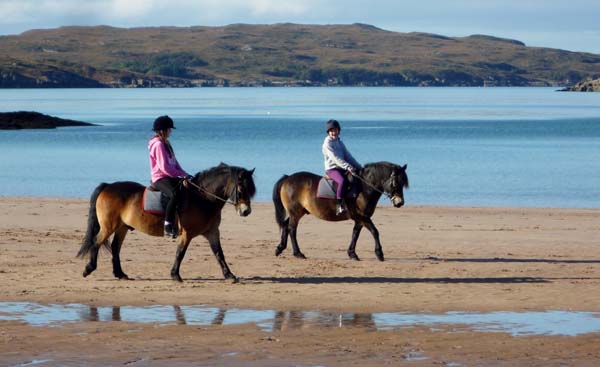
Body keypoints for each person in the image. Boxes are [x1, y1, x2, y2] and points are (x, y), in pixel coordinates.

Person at [148, 115, 192, 238]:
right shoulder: (158, 145)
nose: (170, 132)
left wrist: (185, 174)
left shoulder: (166, 143)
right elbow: (164, 168)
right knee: (175, 194)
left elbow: (175, 163)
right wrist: (180, 175)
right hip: (160, 178)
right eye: (169, 129)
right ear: (163, 130)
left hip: (169, 176)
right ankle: (167, 225)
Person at [322, 119, 362, 215]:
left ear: (338, 131)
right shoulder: (327, 143)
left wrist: (358, 167)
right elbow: (335, 158)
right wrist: (348, 167)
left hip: (342, 168)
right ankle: (339, 205)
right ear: (328, 132)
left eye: (335, 130)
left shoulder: (339, 142)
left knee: (355, 179)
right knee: (342, 181)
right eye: (331, 131)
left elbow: (348, 156)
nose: (333, 133)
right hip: (332, 169)